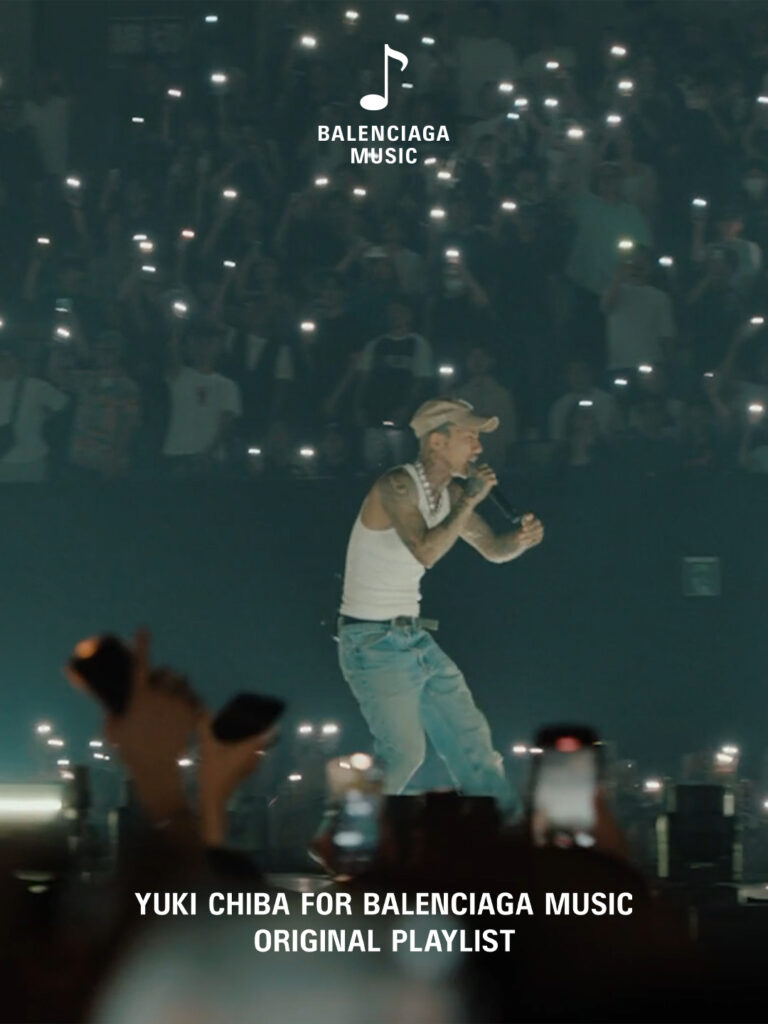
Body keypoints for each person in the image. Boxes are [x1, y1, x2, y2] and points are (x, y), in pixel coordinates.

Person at [336, 397, 544, 812]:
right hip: (371, 642)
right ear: (436, 441)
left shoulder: (449, 493)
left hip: (412, 637)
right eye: (469, 437)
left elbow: (493, 549)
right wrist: (469, 500)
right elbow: (425, 551)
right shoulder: (396, 486)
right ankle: (342, 834)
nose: (478, 448)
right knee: (403, 754)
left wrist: (520, 541)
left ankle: (506, 832)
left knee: (472, 743)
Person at [0, 340, 68, 482]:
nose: (4, 362)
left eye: (6, 358)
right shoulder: (36, 386)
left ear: (17, 361)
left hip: (31, 460)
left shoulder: (36, 386)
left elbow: (62, 404)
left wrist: (43, 417)